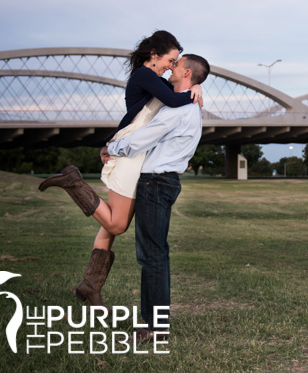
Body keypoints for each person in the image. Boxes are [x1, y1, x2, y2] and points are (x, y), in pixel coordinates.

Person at [38, 31, 203, 308]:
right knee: (116, 223)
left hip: (136, 153)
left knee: (110, 226)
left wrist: (196, 84)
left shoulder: (157, 80)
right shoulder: (145, 76)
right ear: (154, 55)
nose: (172, 67)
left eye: (176, 63)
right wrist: (193, 91)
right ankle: (73, 183)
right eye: (170, 60)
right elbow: (174, 100)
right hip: (130, 152)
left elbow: (175, 89)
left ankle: (90, 286)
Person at [103, 53, 209, 343]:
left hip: (155, 182)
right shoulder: (186, 103)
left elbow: (143, 138)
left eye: (177, 64)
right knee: (156, 253)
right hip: (165, 182)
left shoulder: (179, 109)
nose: (171, 68)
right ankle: (156, 323)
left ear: (187, 73)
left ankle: (154, 327)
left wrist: (112, 147)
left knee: (151, 255)